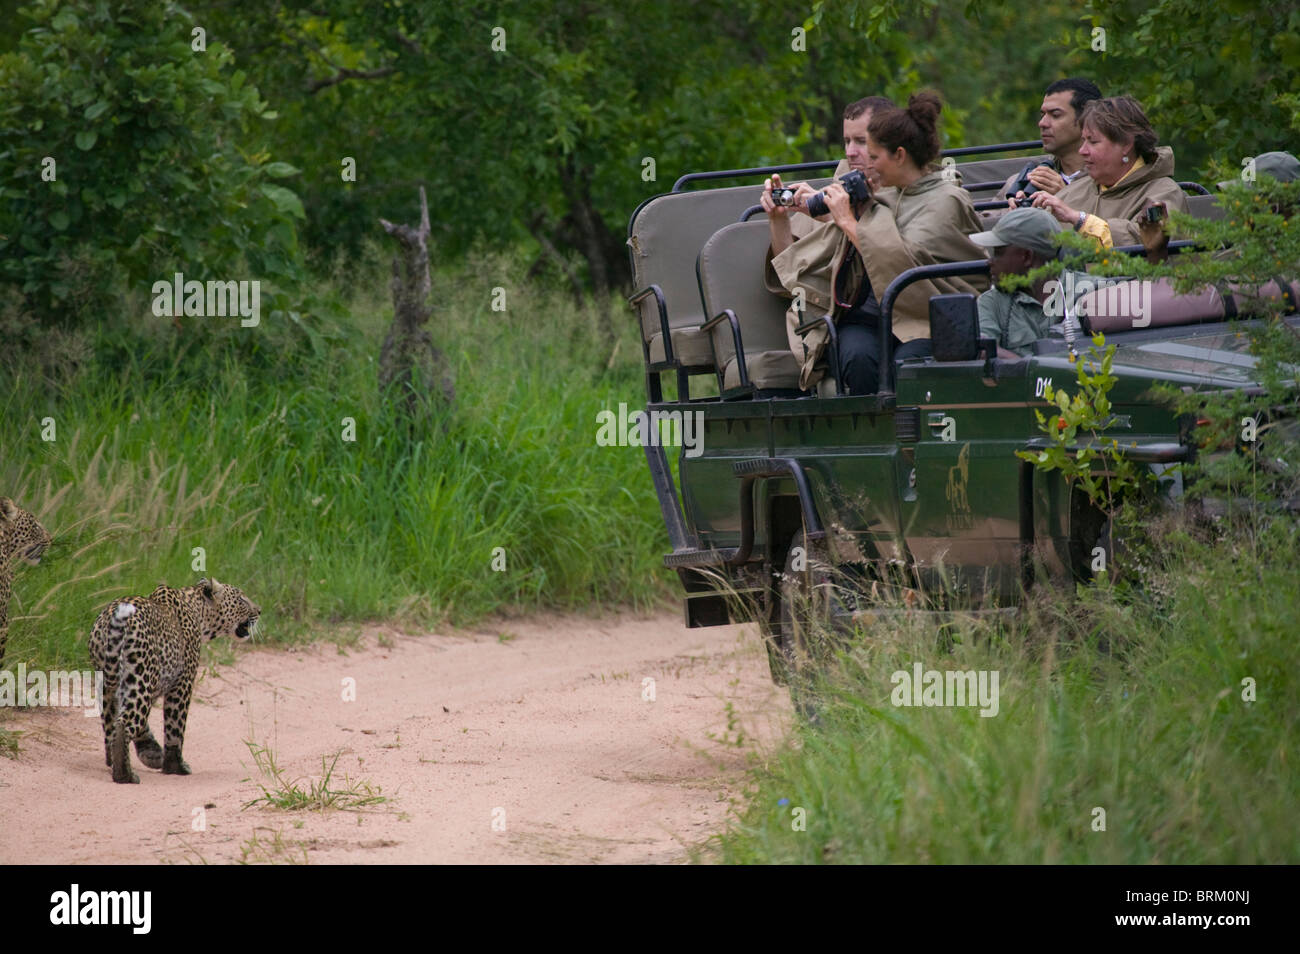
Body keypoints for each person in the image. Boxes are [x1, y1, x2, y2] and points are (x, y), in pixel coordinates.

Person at [769, 92, 987, 394]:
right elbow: (797, 270)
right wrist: (784, 218)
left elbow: (904, 265)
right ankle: (871, 437)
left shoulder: (943, 199)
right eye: (849, 143)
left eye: (870, 151)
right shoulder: (861, 191)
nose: (854, 156)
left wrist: (847, 221)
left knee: (908, 367)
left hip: (926, 318)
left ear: (898, 154)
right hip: (867, 319)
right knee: (858, 359)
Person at [1030, 95, 1188, 248]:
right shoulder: (1071, 192)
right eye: (1084, 140)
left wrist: (1080, 220)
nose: (1082, 151)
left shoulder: (1164, 192)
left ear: (1126, 144)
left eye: (1093, 141)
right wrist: (1022, 215)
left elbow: (1150, 246)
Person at [968, 207, 1089, 357]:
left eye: (998, 253)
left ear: (1026, 257)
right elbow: (985, 351)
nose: (990, 262)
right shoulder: (992, 302)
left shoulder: (1091, 290)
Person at [1003, 78, 1103, 202]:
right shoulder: (1020, 182)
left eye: (1055, 115)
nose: (1042, 123)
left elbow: (1110, 220)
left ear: (1086, 118)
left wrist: (1065, 196)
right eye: (1042, 115)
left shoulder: (1108, 181)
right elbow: (986, 219)